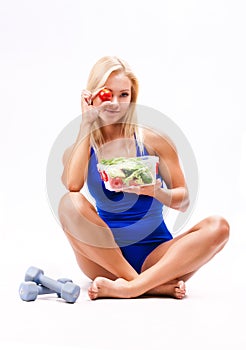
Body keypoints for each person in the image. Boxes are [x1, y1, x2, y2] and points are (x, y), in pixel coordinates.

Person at [58, 56, 229, 300]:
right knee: (68, 202)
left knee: (218, 227)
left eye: (124, 95)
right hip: (104, 258)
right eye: (107, 94)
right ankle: (144, 285)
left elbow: (183, 201)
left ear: (132, 97)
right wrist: (87, 122)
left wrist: (157, 191)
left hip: (158, 257)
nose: (115, 103)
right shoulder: (80, 149)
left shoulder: (154, 141)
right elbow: (72, 186)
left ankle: (131, 287)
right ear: (93, 96)